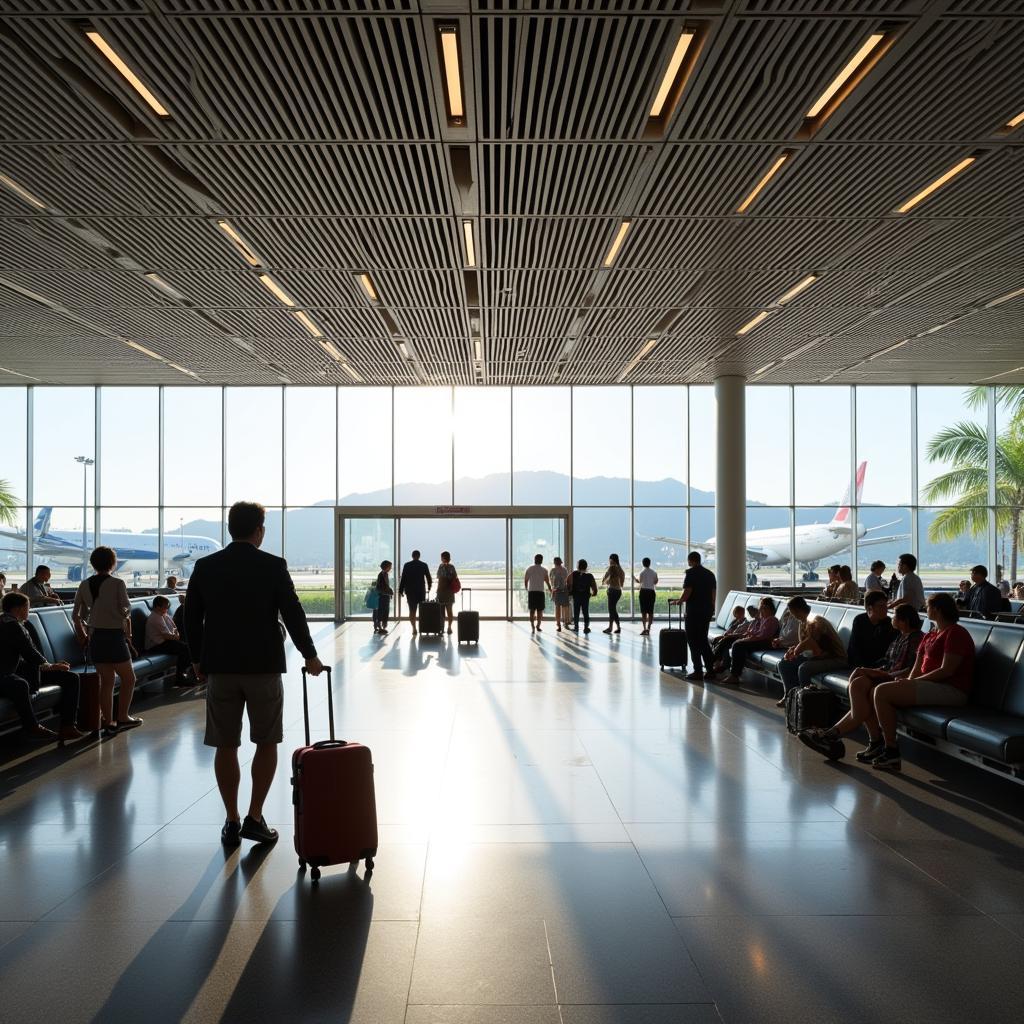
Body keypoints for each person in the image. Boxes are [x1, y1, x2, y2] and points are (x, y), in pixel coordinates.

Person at [185, 501, 323, 848]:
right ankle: (254, 817)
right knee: (266, 741)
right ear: (259, 530)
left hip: (221, 668)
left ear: (231, 528)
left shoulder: (206, 566)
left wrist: (197, 659)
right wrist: (310, 655)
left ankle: (231, 821)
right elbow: (293, 613)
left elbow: (190, 617)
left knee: (225, 744)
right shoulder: (273, 566)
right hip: (263, 667)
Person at [797, 604, 924, 762]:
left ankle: (833, 735)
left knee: (862, 688)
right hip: (888, 675)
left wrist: (877, 673)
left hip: (897, 680)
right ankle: (868, 741)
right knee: (859, 684)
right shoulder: (901, 636)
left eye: (895, 616)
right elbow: (889, 662)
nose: (891, 619)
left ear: (904, 621)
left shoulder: (916, 639)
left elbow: (909, 670)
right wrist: (872, 670)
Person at [869, 592, 976, 770]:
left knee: (881, 692)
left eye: (928, 606)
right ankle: (885, 745)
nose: (925, 609)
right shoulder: (931, 634)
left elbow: (946, 670)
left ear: (938, 610)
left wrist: (912, 683)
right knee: (878, 690)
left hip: (951, 689)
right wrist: (908, 681)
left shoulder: (956, 633)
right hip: (930, 685)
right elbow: (917, 667)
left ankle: (891, 751)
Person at [72, 546, 139, 736]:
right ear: (112, 563)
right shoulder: (117, 583)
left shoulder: (84, 584)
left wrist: (83, 634)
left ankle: (108, 721)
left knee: (107, 681)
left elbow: (76, 615)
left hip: (96, 637)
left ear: (93, 563)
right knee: (129, 678)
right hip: (114, 636)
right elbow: (126, 609)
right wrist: (122, 612)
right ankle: (123, 717)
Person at [0, 591, 84, 743]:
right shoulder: (12, 626)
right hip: (6, 674)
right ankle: (33, 727)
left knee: (71, 678)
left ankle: (68, 726)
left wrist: (49, 666)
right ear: (18, 609)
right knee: (20, 685)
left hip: (21, 670)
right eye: (27, 607)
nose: (29, 611)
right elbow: (30, 653)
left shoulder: (13, 623)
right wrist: (51, 666)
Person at [775, 596, 848, 706]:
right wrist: (794, 650)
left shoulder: (815, 621)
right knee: (784, 664)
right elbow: (806, 646)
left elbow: (813, 645)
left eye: (791, 611)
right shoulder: (803, 621)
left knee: (804, 668)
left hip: (835, 658)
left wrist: (797, 651)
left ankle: (806, 703)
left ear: (796, 610)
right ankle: (790, 696)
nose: (791, 614)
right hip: (819, 656)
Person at [669, 551, 717, 681]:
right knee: (703, 640)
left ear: (690, 561)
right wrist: (711, 608)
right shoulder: (710, 574)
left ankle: (698, 671)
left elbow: (687, 592)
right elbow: (713, 594)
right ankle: (710, 670)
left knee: (693, 641)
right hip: (706, 611)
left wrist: (678, 601)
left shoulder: (690, 574)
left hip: (694, 612)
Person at [719, 597, 779, 684]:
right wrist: (748, 637)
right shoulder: (763, 620)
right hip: (759, 640)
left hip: (765, 642)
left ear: (768, 608)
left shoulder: (772, 620)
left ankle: (734, 675)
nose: (760, 609)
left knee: (738, 645)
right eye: (760, 607)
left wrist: (748, 639)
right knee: (731, 641)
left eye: (762, 607)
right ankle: (721, 664)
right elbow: (757, 633)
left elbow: (764, 636)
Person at [145, 595, 191, 685]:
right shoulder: (155, 617)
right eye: (165, 607)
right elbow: (167, 636)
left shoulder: (163, 615)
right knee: (186, 649)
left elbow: (174, 628)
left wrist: (176, 635)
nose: (167, 608)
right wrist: (177, 636)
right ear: (158, 607)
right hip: (155, 645)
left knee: (187, 647)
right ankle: (180, 677)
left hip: (165, 642)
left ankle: (184, 674)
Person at [846, 590, 895, 670]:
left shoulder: (888, 623)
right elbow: (854, 647)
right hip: (861, 665)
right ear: (870, 608)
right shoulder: (860, 620)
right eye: (881, 606)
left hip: (880, 666)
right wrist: (862, 668)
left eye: (886, 606)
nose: (885, 609)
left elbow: (888, 651)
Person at [399, 550, 432, 636]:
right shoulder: (424, 565)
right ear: (419, 556)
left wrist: (400, 590)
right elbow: (428, 577)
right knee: (422, 610)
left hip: (410, 591)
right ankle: (422, 627)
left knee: (412, 610)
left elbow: (403, 579)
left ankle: (414, 628)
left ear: (412, 556)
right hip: (421, 590)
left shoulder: (407, 565)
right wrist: (429, 586)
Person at [710, 605, 749, 670]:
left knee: (725, 641)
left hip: (736, 638)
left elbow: (742, 634)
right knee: (718, 640)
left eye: (740, 613)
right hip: (729, 637)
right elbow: (727, 631)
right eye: (736, 613)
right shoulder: (734, 622)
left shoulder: (746, 623)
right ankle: (717, 663)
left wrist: (729, 635)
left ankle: (714, 661)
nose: (738, 615)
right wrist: (723, 636)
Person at [568, 559, 597, 633]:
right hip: (585, 596)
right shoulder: (589, 576)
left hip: (576, 595)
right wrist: (594, 592)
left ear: (578, 566)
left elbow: (568, 581)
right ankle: (586, 628)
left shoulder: (574, 574)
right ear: (586, 566)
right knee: (585, 612)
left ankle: (576, 627)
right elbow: (594, 586)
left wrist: (570, 591)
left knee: (576, 611)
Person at [523, 554, 550, 633]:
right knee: (540, 610)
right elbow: (547, 581)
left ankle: (532, 626)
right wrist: (550, 588)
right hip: (540, 592)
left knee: (532, 610)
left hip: (532, 592)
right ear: (541, 560)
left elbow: (526, 580)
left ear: (534, 559)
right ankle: (538, 625)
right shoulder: (544, 570)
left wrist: (526, 587)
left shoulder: (529, 569)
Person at [435, 551, 459, 635]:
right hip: (449, 592)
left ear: (443, 558)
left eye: (441, 557)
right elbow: (455, 577)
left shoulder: (441, 566)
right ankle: (449, 627)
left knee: (441, 612)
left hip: (441, 591)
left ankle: (441, 629)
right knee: (449, 611)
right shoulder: (452, 567)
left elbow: (438, 576)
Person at [601, 554, 625, 635]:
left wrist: (608, 580)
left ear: (611, 560)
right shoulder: (621, 570)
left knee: (612, 610)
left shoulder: (611, 568)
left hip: (611, 591)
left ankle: (612, 627)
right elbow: (622, 584)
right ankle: (615, 627)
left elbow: (603, 580)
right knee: (613, 609)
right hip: (618, 591)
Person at [634, 557, 658, 636]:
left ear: (642, 563)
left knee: (643, 612)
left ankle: (644, 629)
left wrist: (634, 578)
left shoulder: (642, 573)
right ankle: (648, 628)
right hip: (651, 592)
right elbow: (655, 582)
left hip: (643, 592)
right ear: (649, 563)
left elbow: (639, 582)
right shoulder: (654, 572)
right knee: (650, 611)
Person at [550, 556, 570, 633]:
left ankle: (558, 624)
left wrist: (552, 589)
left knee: (557, 608)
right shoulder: (565, 569)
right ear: (561, 562)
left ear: (554, 563)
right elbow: (566, 580)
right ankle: (566, 622)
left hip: (556, 591)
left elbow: (551, 581)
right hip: (564, 590)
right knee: (565, 607)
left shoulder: (553, 570)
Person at [373, 560, 393, 635]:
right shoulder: (382, 575)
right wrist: (387, 592)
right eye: (390, 566)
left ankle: (382, 626)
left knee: (384, 610)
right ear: (386, 567)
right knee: (382, 611)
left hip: (385, 595)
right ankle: (380, 627)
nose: (391, 568)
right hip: (383, 596)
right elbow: (380, 587)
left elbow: (385, 586)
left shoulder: (384, 574)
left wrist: (389, 591)